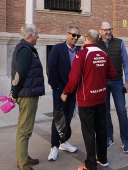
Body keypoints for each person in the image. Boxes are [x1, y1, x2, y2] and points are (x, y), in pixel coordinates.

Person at [61, 29, 116, 170]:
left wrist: (66, 91)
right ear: (97, 40)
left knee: (89, 132)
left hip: (86, 100)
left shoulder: (82, 55)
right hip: (101, 98)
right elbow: (112, 73)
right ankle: (103, 159)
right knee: (101, 129)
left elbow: (74, 78)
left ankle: (91, 164)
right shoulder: (104, 54)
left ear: (86, 38)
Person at [10, 24, 45, 170]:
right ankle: (23, 164)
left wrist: (14, 91)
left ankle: (23, 157)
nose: (38, 36)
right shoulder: (25, 50)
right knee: (25, 130)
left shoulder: (25, 48)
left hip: (26, 94)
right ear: (29, 36)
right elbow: (20, 74)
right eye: (36, 34)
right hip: (27, 96)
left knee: (23, 129)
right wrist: (14, 92)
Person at [97, 21, 128, 153]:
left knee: (122, 111)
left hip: (117, 82)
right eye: (105, 30)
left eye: (110, 29)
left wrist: (127, 80)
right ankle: (109, 138)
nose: (108, 32)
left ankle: (125, 141)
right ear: (100, 31)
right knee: (104, 112)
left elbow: (126, 62)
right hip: (102, 83)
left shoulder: (119, 42)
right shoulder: (96, 44)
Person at [47, 24, 81, 161]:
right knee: (58, 118)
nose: (75, 38)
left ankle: (63, 142)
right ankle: (54, 146)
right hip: (60, 91)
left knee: (68, 117)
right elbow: (51, 71)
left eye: (78, 36)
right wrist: (60, 90)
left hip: (72, 91)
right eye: (73, 35)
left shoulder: (78, 51)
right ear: (67, 34)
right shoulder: (57, 49)